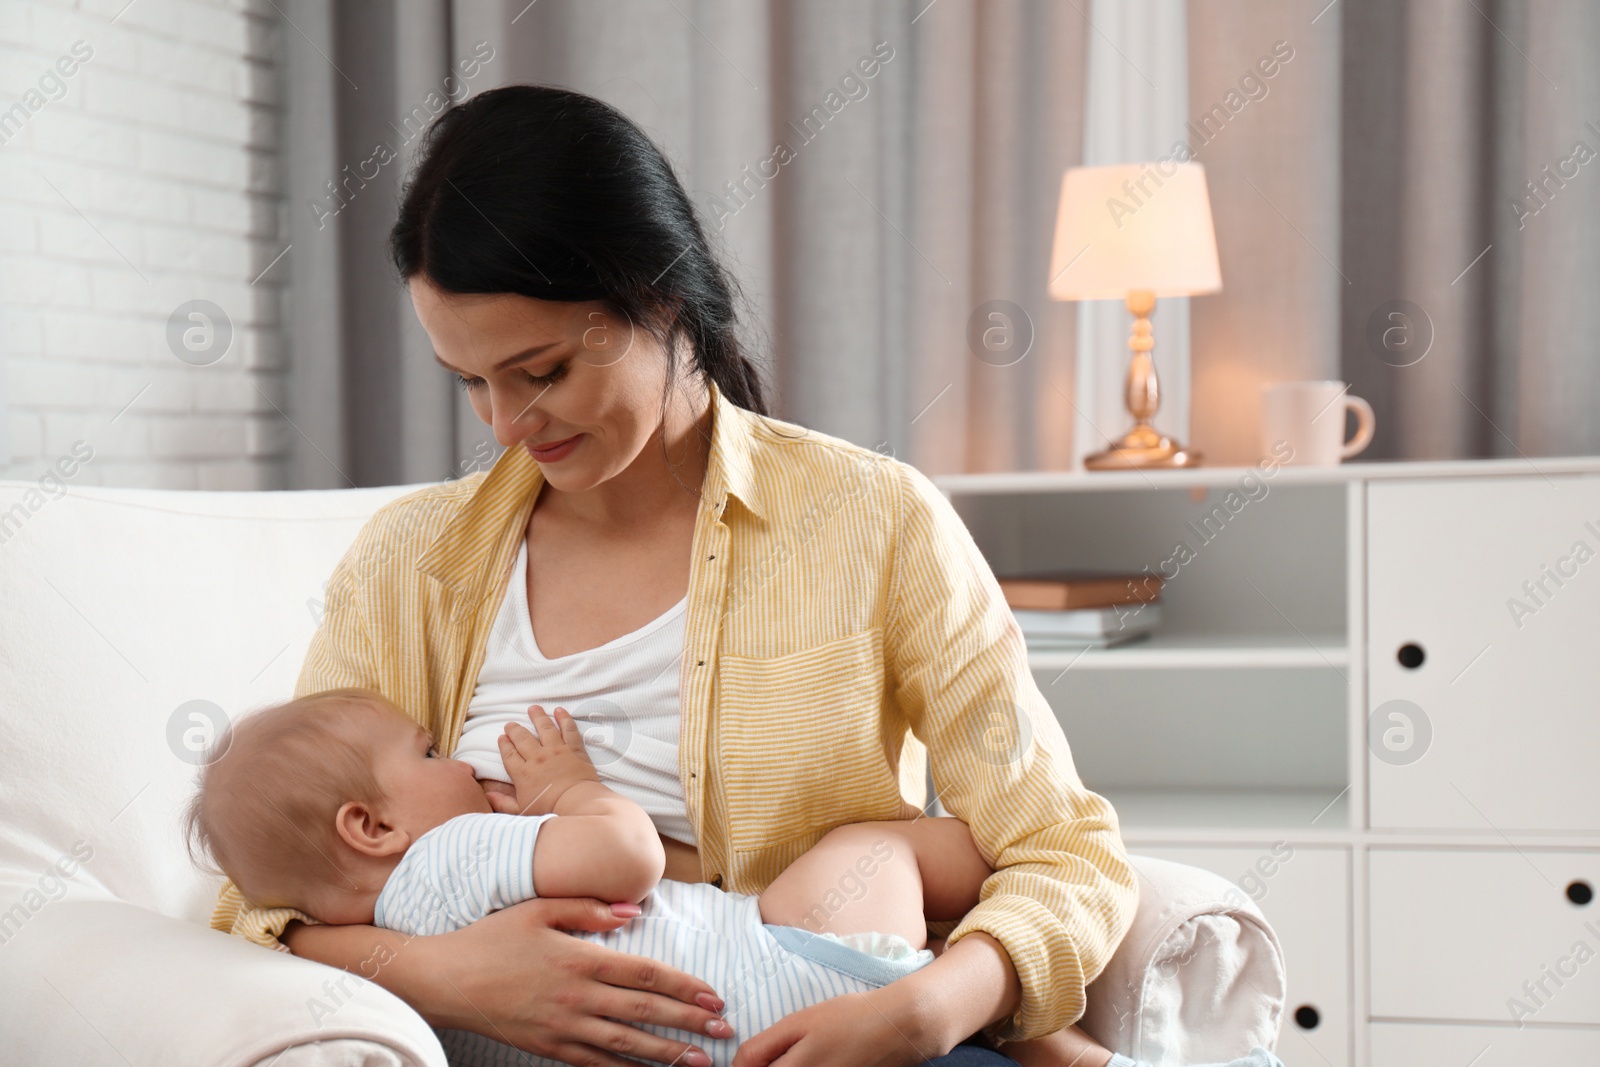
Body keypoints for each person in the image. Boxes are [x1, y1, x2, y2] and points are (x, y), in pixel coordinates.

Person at [209, 83, 1140, 1066]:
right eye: (472, 382)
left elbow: (1062, 847)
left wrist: (932, 1006)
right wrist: (445, 974)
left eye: (542, 371)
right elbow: (268, 886)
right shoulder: (409, 562)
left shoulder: (873, 520)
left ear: (659, 296)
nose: (504, 425)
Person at [187, 690, 1124, 1067]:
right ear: (373, 825)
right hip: (784, 962)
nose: (456, 762)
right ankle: (974, 908)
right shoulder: (449, 855)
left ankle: (1015, 1016)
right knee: (882, 846)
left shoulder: (380, 943)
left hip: (728, 1034)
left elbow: (253, 910)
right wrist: (571, 791)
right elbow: (626, 858)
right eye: (428, 749)